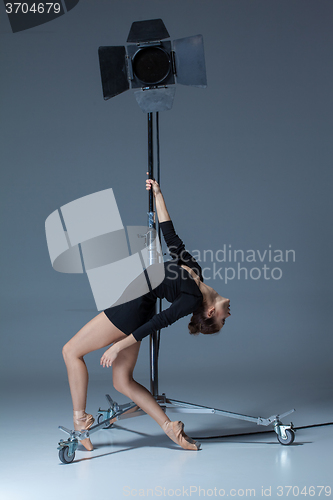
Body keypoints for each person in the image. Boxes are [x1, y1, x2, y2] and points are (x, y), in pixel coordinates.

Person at [62, 175, 231, 452]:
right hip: (136, 307)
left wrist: (119, 345)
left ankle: (81, 421)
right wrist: (159, 194)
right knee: (122, 381)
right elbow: (172, 237)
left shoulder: (191, 298)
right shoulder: (196, 274)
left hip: (131, 309)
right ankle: (170, 428)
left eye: (223, 319)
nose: (229, 315)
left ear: (210, 311)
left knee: (71, 351)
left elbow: (158, 322)